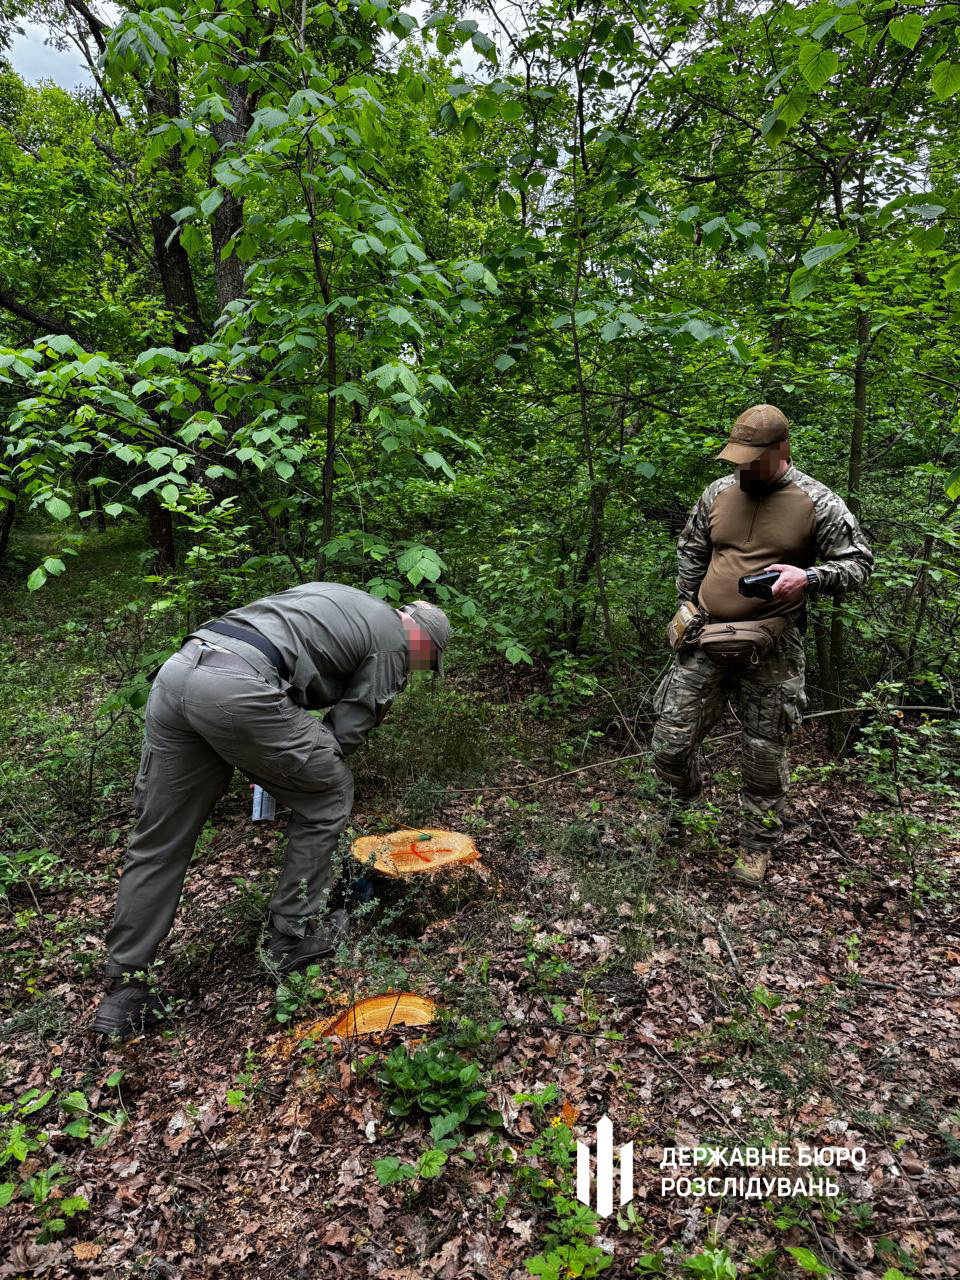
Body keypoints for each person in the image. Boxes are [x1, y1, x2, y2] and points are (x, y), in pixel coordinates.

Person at [92, 583, 450, 1038]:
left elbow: (280, 651)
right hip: (238, 689)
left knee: (160, 837)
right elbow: (349, 729)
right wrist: (291, 766)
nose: (417, 669)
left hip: (180, 670)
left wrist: (273, 757)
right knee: (330, 794)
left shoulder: (338, 598)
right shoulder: (395, 640)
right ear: (422, 641)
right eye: (425, 662)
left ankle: (124, 989)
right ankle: (292, 936)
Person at [651, 404, 873, 886]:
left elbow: (859, 565)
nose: (744, 468)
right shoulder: (718, 492)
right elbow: (691, 550)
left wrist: (808, 577)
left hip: (772, 647)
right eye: (738, 458)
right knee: (669, 743)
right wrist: (690, 604)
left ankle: (756, 845)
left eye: (753, 460)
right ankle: (679, 811)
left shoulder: (818, 501)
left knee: (764, 752)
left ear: (781, 450)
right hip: (705, 638)